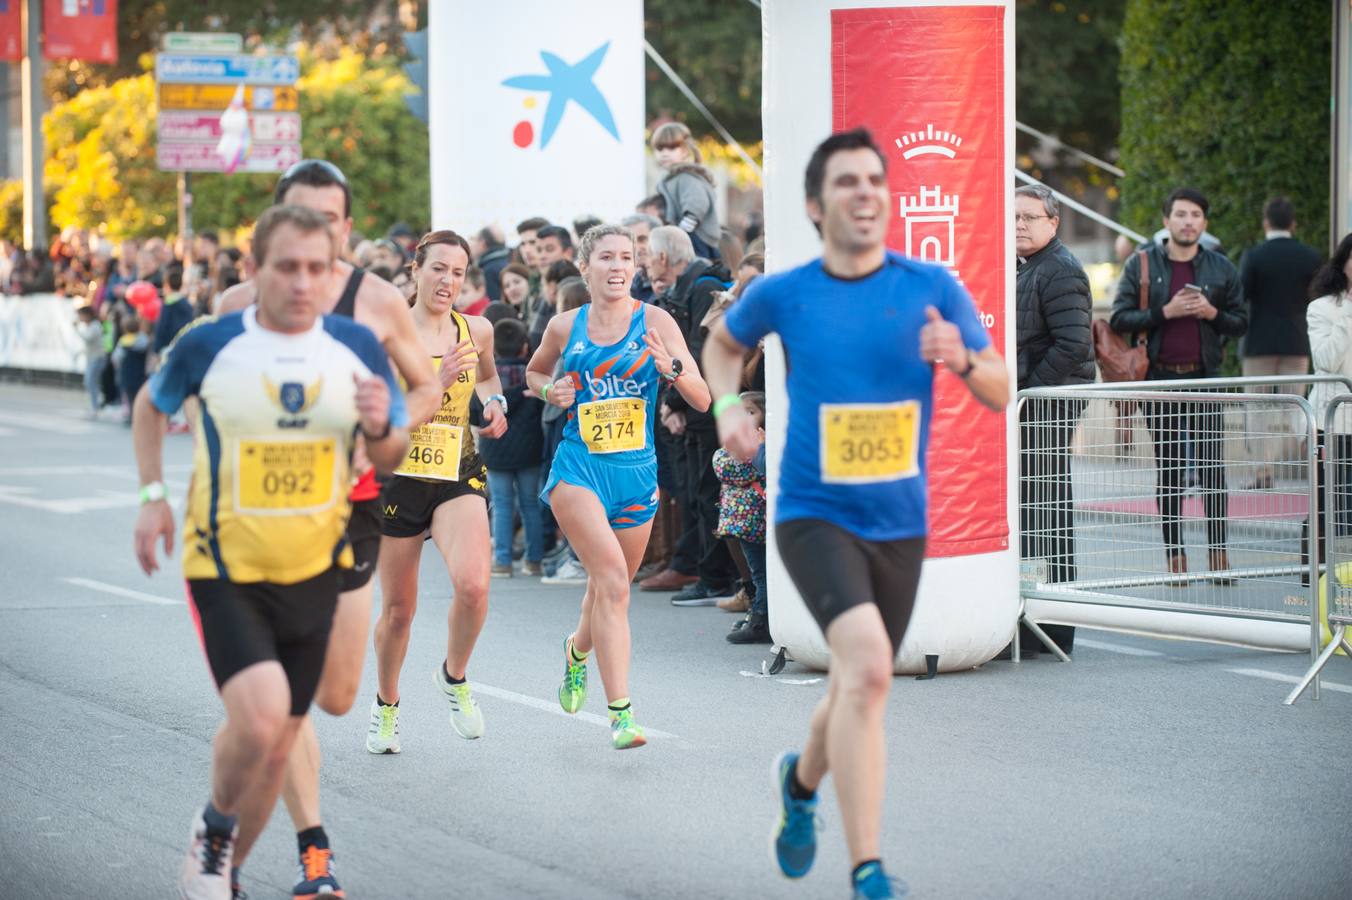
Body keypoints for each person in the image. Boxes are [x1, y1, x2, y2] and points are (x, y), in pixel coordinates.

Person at [703, 128, 1007, 899]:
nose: (866, 192)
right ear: (816, 204)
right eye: (848, 182)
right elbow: (720, 344)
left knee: (854, 684)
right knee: (871, 668)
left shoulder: (931, 286)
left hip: (899, 522)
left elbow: (1002, 388)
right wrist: (729, 410)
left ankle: (799, 785)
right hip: (812, 513)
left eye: (876, 179)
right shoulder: (785, 291)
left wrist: (964, 357)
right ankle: (868, 870)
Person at [132, 204, 409, 900]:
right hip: (224, 565)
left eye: (317, 268)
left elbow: (390, 448)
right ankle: (216, 828)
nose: (302, 282)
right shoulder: (209, 343)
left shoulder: (355, 346)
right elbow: (149, 403)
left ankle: (224, 869)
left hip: (315, 566)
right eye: (286, 267)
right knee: (259, 717)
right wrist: (152, 497)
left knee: (281, 741)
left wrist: (381, 426)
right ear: (254, 269)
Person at [215, 159, 438, 900]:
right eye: (300, 218)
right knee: (281, 697)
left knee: (338, 695)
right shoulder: (237, 303)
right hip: (266, 520)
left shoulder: (377, 301)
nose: (316, 233)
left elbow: (424, 379)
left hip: (354, 509)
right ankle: (310, 850)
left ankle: (233, 833)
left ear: (347, 226)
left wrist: (390, 423)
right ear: (274, 225)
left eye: (330, 220)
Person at [526, 224, 710, 749]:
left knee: (611, 590)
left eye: (626, 257)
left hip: (637, 472)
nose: (617, 266)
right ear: (584, 267)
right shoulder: (566, 326)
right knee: (610, 580)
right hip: (580, 468)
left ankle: (575, 652)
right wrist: (551, 390)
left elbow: (701, 398)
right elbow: (535, 375)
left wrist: (670, 367)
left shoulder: (656, 321)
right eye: (605, 257)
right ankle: (622, 714)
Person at [368, 230, 508, 752]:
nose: (448, 281)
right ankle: (385, 705)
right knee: (399, 611)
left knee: (473, 587)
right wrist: (437, 385)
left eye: (458, 272)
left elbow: (490, 381)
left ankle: (453, 676)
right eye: (438, 269)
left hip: (457, 472)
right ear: (415, 270)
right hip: (399, 479)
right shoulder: (387, 334)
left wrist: (496, 408)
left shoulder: (476, 329)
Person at [1110, 187, 1247, 581]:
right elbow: (1119, 317)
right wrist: (1164, 312)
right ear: (1166, 221)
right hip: (1160, 380)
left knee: (1212, 472)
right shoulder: (1142, 264)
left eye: (1196, 216)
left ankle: (1219, 559)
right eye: (1181, 215)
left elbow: (1240, 323)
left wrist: (1212, 312)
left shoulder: (1221, 267)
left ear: (1204, 224)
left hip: (1205, 378)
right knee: (1169, 471)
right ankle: (1176, 560)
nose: (1188, 222)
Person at [1013, 183, 1094, 657]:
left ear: (1053, 223)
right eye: (1014, 217)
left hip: (1047, 405)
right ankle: (1037, 619)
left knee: (1047, 512)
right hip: (1034, 404)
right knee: (1035, 512)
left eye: (1030, 217)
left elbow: (1073, 346)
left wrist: (1029, 391)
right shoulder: (1028, 267)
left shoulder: (1060, 270)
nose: (1020, 225)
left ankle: (1054, 625)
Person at [646, 225, 738, 606]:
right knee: (696, 495)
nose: (645, 265)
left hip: (709, 409)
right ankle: (703, 572)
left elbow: (700, 350)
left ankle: (715, 578)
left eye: (648, 256)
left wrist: (676, 403)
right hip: (691, 407)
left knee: (710, 494)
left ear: (664, 257)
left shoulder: (701, 288)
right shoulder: (681, 290)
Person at [1239, 196, 1323, 488]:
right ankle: (1317, 463)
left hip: (1259, 342)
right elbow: (1317, 297)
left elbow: (1241, 295)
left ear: (1266, 223)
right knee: (1296, 406)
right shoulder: (1310, 257)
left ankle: (1262, 473)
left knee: (1257, 408)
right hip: (1296, 340)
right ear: (1293, 223)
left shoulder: (1254, 256)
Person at [481, 317, 546, 577]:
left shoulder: (488, 377)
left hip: (496, 450)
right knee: (531, 503)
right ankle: (534, 560)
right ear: (524, 347)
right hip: (529, 450)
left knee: (501, 503)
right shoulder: (533, 376)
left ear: (493, 349)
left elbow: (478, 412)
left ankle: (503, 561)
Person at [1304, 233, 1352, 569]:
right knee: (1327, 504)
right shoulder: (1322, 308)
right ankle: (1315, 584)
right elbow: (1324, 360)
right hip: (1333, 421)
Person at [716, 391, 770, 644]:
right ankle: (755, 613)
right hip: (742, 524)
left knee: (762, 573)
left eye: (751, 412)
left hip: (759, 521)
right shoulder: (737, 446)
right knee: (754, 572)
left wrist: (756, 450)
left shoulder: (762, 447)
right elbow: (723, 467)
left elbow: (743, 469)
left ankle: (762, 619)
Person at [651, 121, 721, 261]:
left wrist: (679, 234)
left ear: (685, 151)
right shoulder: (670, 178)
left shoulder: (686, 177)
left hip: (696, 238)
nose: (664, 153)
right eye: (660, 149)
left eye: (671, 148)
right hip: (686, 236)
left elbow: (697, 205)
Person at [74, 304, 105, 416]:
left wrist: (76, 328)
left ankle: (96, 406)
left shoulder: (95, 326)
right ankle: (95, 405)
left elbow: (88, 338)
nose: (80, 318)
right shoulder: (90, 326)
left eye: (81, 315)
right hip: (92, 357)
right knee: (90, 382)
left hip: (97, 358)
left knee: (90, 382)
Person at [472, 225, 511, 301]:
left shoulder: (488, 271)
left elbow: (493, 303)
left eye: (475, 240)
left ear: (482, 243)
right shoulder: (508, 261)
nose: (473, 245)